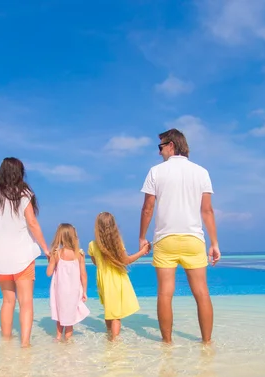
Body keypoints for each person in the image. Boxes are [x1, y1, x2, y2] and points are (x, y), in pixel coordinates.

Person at [139, 128, 221, 344]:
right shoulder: (201, 172)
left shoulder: (156, 172)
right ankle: (207, 343)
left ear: (172, 145)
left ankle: (167, 344)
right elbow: (207, 211)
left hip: (166, 239)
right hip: (193, 239)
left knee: (165, 294)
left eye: (161, 147)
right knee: (202, 293)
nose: (159, 153)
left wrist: (142, 237)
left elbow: (148, 208)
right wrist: (214, 243)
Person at [0, 157, 50, 348]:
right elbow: (32, 223)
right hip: (23, 256)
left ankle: (6, 343)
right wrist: (45, 248)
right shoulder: (24, 194)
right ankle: (25, 345)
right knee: (25, 303)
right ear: (19, 173)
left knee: (8, 302)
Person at [88, 212, 150, 340]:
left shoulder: (92, 245)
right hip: (116, 281)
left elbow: (95, 263)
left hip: (103, 281)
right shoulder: (117, 243)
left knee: (108, 310)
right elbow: (126, 261)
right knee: (116, 315)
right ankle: (114, 342)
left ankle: (109, 336)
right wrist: (142, 252)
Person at [47, 223, 90, 341]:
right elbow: (83, 275)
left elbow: (49, 273)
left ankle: (58, 337)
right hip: (73, 291)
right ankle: (68, 343)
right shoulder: (79, 255)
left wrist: (51, 260)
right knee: (70, 319)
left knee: (60, 315)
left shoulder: (57, 254)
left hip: (60, 290)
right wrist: (84, 291)